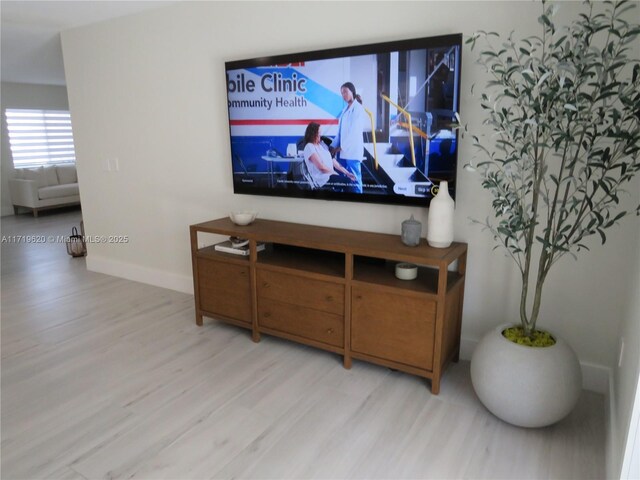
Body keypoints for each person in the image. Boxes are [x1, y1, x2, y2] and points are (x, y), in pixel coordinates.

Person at [330, 82, 367, 193]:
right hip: (346, 152)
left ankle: (359, 205)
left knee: (355, 180)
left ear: (352, 91)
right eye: (342, 93)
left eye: (345, 91)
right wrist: (332, 146)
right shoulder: (345, 110)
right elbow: (340, 133)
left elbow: (353, 133)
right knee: (348, 181)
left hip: (353, 152)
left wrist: (339, 148)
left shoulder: (358, 109)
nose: (344, 95)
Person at [303, 122, 356, 189]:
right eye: (319, 133)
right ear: (313, 134)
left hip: (330, 175)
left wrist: (347, 173)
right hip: (322, 179)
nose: (320, 135)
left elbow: (334, 162)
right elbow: (321, 167)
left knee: (349, 180)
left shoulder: (323, 145)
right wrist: (334, 173)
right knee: (347, 182)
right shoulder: (309, 147)